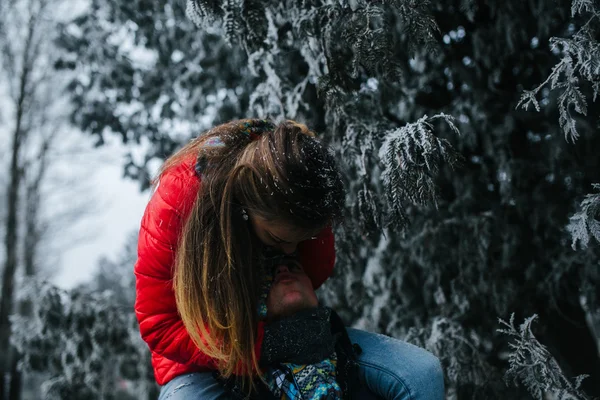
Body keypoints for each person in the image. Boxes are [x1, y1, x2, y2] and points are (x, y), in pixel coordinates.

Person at [134, 118, 445, 400]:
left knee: (420, 374)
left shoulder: (304, 183)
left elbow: (317, 271)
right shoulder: (180, 201)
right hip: (203, 359)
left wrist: (294, 328)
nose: (289, 251)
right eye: (280, 239)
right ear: (246, 208)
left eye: (302, 240)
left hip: (298, 334)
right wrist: (262, 345)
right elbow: (159, 324)